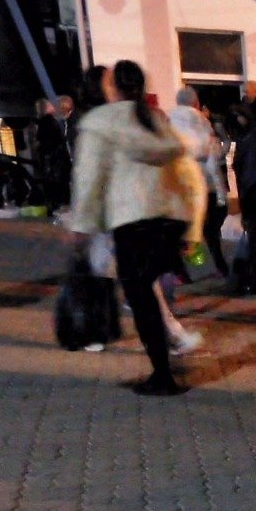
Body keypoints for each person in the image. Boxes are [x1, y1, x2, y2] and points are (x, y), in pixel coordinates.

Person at [68, 60, 199, 396]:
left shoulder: (99, 122)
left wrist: (83, 223)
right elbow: (178, 169)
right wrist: (188, 226)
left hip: (133, 221)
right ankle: (166, 362)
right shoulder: (154, 119)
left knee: (141, 299)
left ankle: (163, 376)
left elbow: (88, 177)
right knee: (147, 292)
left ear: (111, 87)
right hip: (168, 218)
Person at [169, 88, 228, 277]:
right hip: (203, 182)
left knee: (182, 228)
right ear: (195, 103)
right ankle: (218, 266)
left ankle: (184, 271)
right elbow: (214, 154)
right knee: (210, 228)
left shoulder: (168, 121)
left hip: (178, 184)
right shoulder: (201, 121)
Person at [227, 100, 256, 293]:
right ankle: (255, 279)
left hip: (255, 192)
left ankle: (254, 280)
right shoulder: (251, 135)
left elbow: (248, 173)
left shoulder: (249, 138)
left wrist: (245, 204)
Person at [33, 96, 71, 211]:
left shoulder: (43, 123)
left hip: (50, 163)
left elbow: (41, 143)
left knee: (53, 190)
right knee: (59, 189)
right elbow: (57, 142)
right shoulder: (50, 122)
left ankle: (54, 208)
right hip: (56, 163)